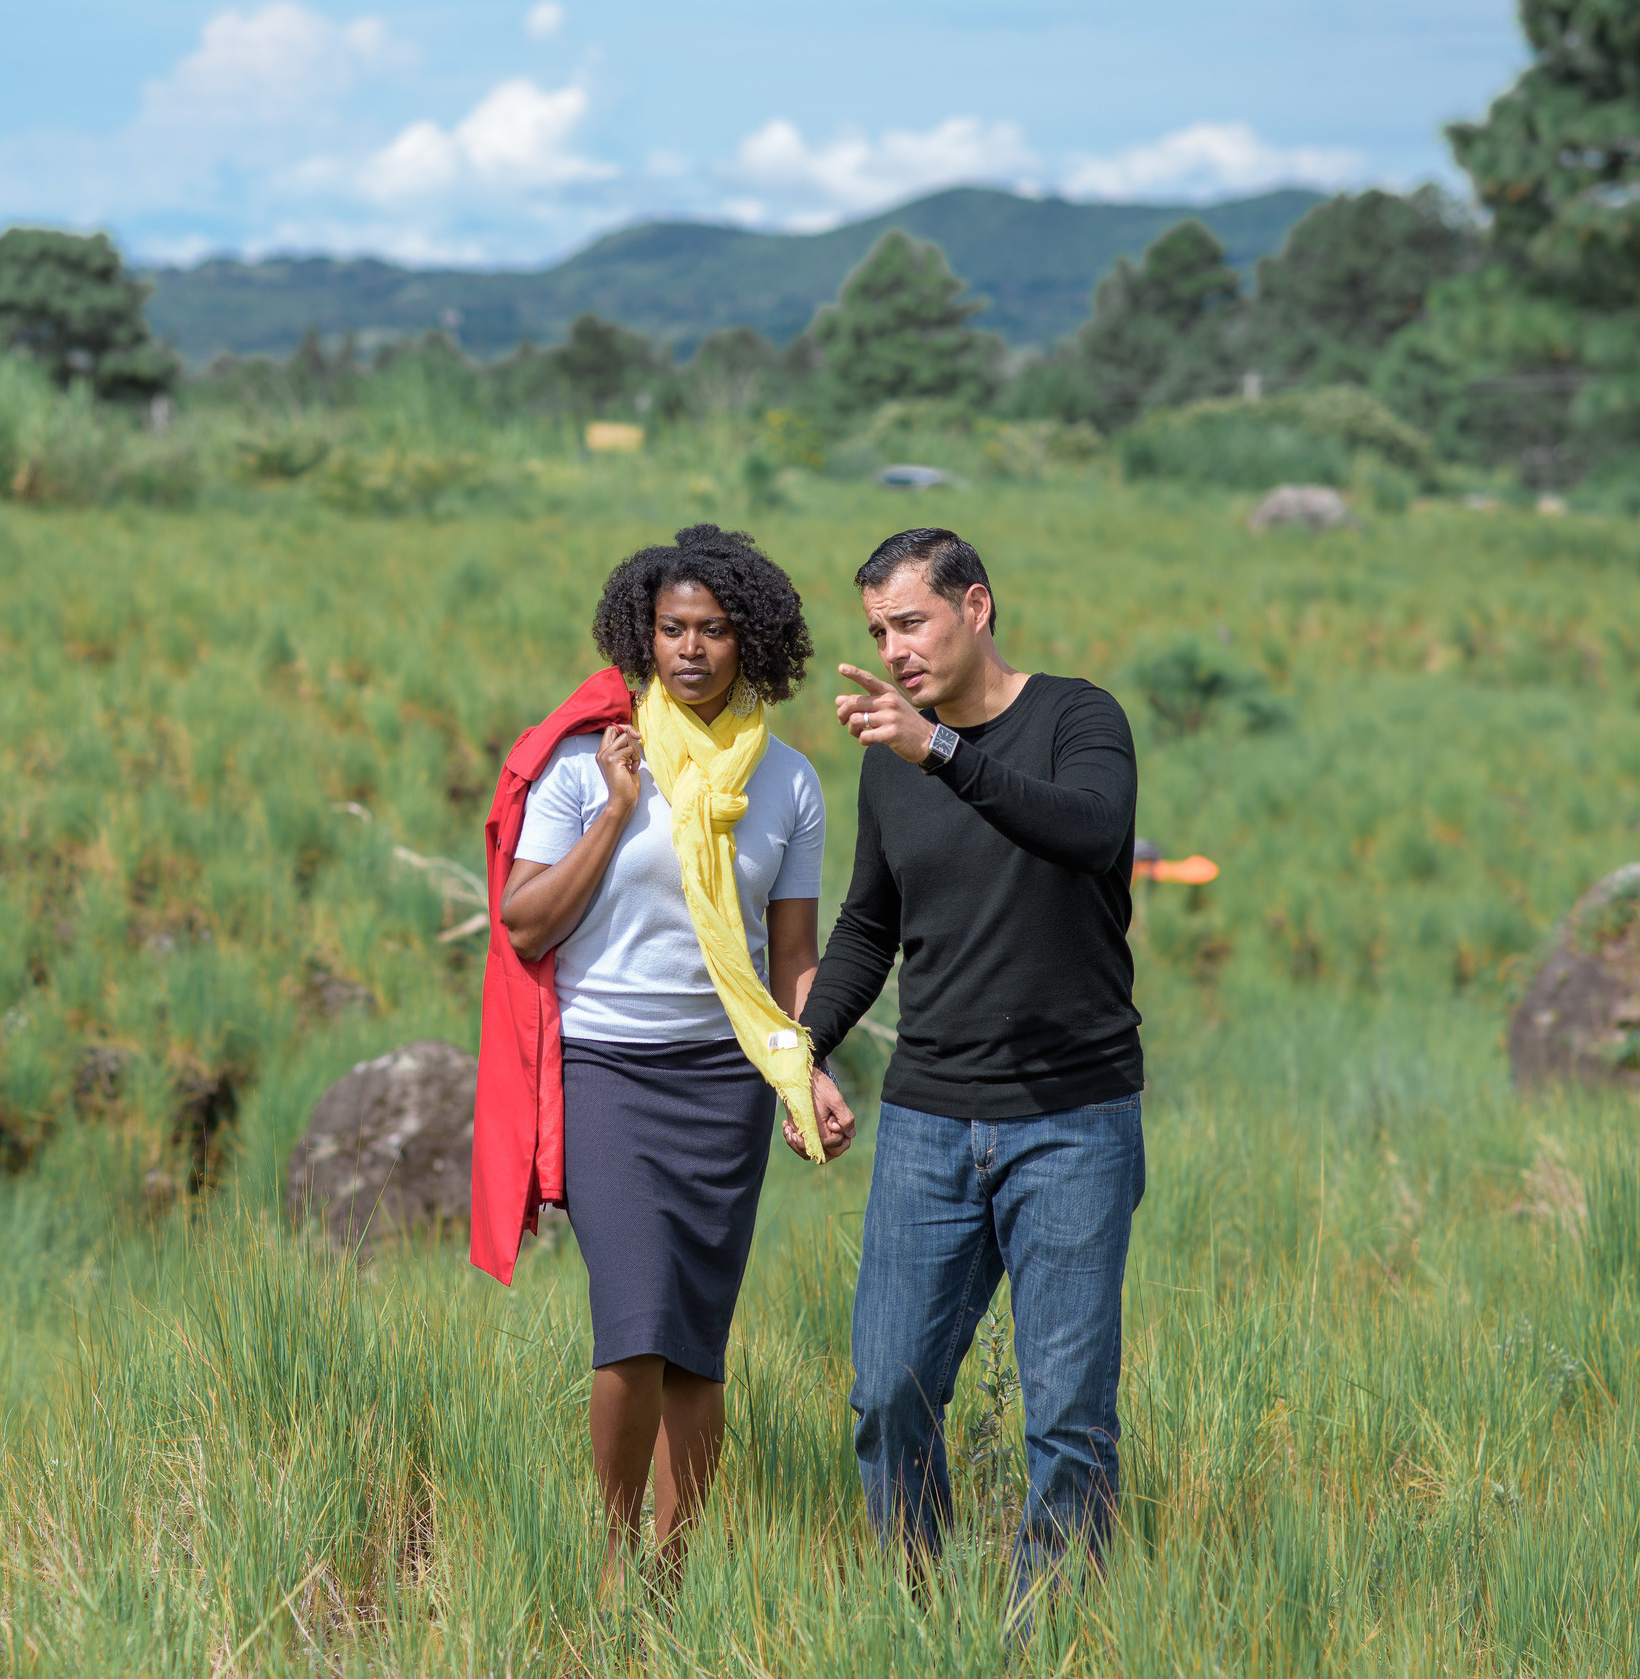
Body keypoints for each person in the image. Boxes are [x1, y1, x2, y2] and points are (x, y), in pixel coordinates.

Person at [471, 523, 854, 1595]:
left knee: (694, 1341)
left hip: (723, 1081)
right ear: (641, 634)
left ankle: (671, 1576)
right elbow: (525, 922)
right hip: (604, 1070)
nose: (689, 648)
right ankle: (607, 1553)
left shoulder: (785, 783)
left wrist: (806, 1065)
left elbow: (793, 959)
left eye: (713, 629)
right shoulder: (584, 763)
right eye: (670, 628)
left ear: (751, 640)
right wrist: (619, 810)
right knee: (633, 1321)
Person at [797, 526, 1145, 1613]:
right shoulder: (886, 760)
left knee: (1067, 1415)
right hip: (929, 1122)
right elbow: (865, 926)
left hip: (1072, 1118)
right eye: (877, 631)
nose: (893, 649)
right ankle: (918, 1619)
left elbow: (1088, 830)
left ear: (976, 605)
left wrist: (937, 750)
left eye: (910, 621)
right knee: (887, 1394)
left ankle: (1051, 1629)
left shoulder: (1076, 718)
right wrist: (796, 1046)